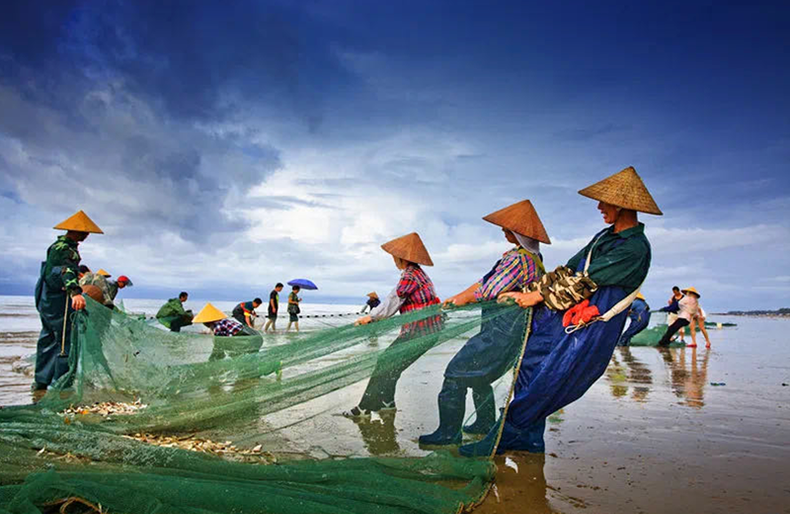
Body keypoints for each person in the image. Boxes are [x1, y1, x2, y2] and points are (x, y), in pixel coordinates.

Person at [459, 166, 660, 457]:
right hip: (559, 314)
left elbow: (584, 281)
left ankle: (504, 436)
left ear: (620, 205)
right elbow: (567, 270)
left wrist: (535, 296)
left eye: (604, 203)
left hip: (591, 323)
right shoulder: (604, 237)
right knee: (531, 363)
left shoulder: (635, 248)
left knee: (554, 376)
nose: (600, 207)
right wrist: (529, 293)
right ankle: (530, 439)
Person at [419, 200, 549, 446]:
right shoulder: (530, 257)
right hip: (509, 331)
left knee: (455, 374)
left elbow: (489, 290)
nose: (502, 230)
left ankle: (448, 434)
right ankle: (483, 423)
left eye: (507, 228)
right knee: (479, 376)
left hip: (501, 333)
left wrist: (464, 300)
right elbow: (482, 283)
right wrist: (458, 298)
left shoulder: (519, 260)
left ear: (519, 233)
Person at [343, 232, 442, 417]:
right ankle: (387, 403)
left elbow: (393, 300)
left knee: (385, 364)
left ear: (401, 258)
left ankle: (363, 409)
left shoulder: (411, 276)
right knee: (391, 366)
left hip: (420, 333)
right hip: (425, 332)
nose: (393, 260)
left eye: (394, 257)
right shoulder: (417, 274)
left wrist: (371, 318)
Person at [33, 210, 103, 391]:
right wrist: (75, 293)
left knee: (49, 339)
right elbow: (65, 271)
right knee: (65, 341)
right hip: (58, 302)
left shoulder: (58, 246)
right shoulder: (65, 248)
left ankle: (41, 381)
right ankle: (61, 384)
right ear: (75, 231)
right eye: (85, 232)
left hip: (47, 299)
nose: (87, 235)